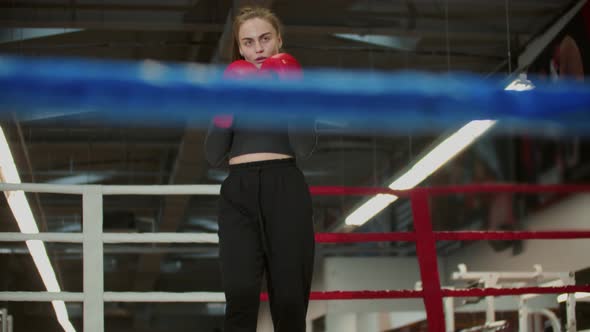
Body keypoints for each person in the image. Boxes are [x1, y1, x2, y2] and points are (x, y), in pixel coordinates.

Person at [204, 6, 317, 332]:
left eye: (265, 39)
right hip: (238, 192)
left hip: (285, 186)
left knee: (290, 299)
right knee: (239, 295)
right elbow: (213, 154)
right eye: (249, 42)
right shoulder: (233, 87)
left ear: (278, 40)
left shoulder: (293, 82)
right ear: (240, 48)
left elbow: (304, 147)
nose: (258, 49)